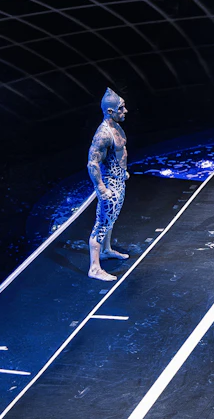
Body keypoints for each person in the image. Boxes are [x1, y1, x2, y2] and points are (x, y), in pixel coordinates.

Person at [86, 88, 131, 281]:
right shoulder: (103, 134)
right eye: (121, 108)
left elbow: (119, 154)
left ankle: (106, 250)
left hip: (118, 180)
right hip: (109, 184)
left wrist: (122, 172)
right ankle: (94, 268)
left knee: (110, 219)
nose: (125, 111)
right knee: (102, 223)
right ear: (110, 111)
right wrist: (101, 188)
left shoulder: (117, 127)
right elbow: (92, 163)